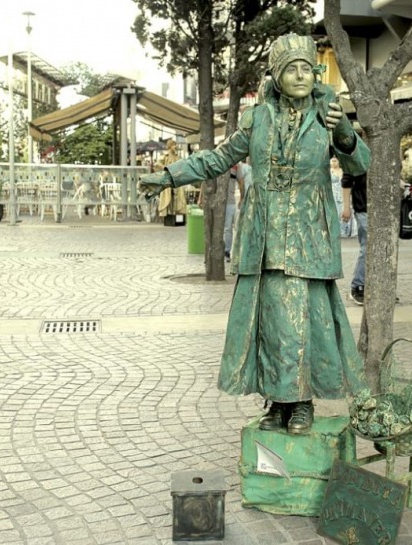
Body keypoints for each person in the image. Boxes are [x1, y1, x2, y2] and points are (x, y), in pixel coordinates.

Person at [138, 34, 370, 435]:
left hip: (308, 237)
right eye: (290, 69)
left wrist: (346, 134)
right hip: (262, 238)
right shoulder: (257, 119)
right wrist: (169, 177)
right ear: (276, 76)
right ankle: (277, 402)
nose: (300, 75)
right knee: (268, 322)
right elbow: (218, 158)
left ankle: (301, 402)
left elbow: (359, 162)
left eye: (306, 68)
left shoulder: (328, 114)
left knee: (302, 321)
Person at [342, 159, 367, 305]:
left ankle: (374, 286)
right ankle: (357, 286)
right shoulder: (358, 155)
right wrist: (346, 208)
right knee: (368, 247)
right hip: (363, 207)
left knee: (377, 249)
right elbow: (346, 182)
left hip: (381, 210)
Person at [330, 157, 350, 237]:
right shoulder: (329, 171)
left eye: (335, 161)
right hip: (332, 194)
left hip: (342, 194)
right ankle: (335, 232)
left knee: (343, 212)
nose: (334, 163)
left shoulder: (342, 171)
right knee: (334, 213)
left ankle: (344, 232)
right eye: (332, 161)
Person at [224, 167, 238, 262]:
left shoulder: (235, 168)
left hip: (230, 202)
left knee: (228, 228)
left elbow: (241, 182)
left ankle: (227, 252)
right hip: (217, 202)